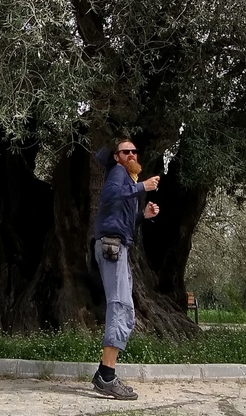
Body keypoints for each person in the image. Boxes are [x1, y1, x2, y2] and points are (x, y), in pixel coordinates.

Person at [91, 138, 160, 400]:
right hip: (112, 247)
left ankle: (104, 373)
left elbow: (121, 218)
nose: (131, 154)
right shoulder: (118, 172)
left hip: (118, 247)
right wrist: (143, 186)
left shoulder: (127, 181)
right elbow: (108, 196)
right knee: (120, 306)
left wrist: (144, 215)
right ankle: (107, 378)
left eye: (134, 151)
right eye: (125, 151)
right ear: (117, 156)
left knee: (126, 309)